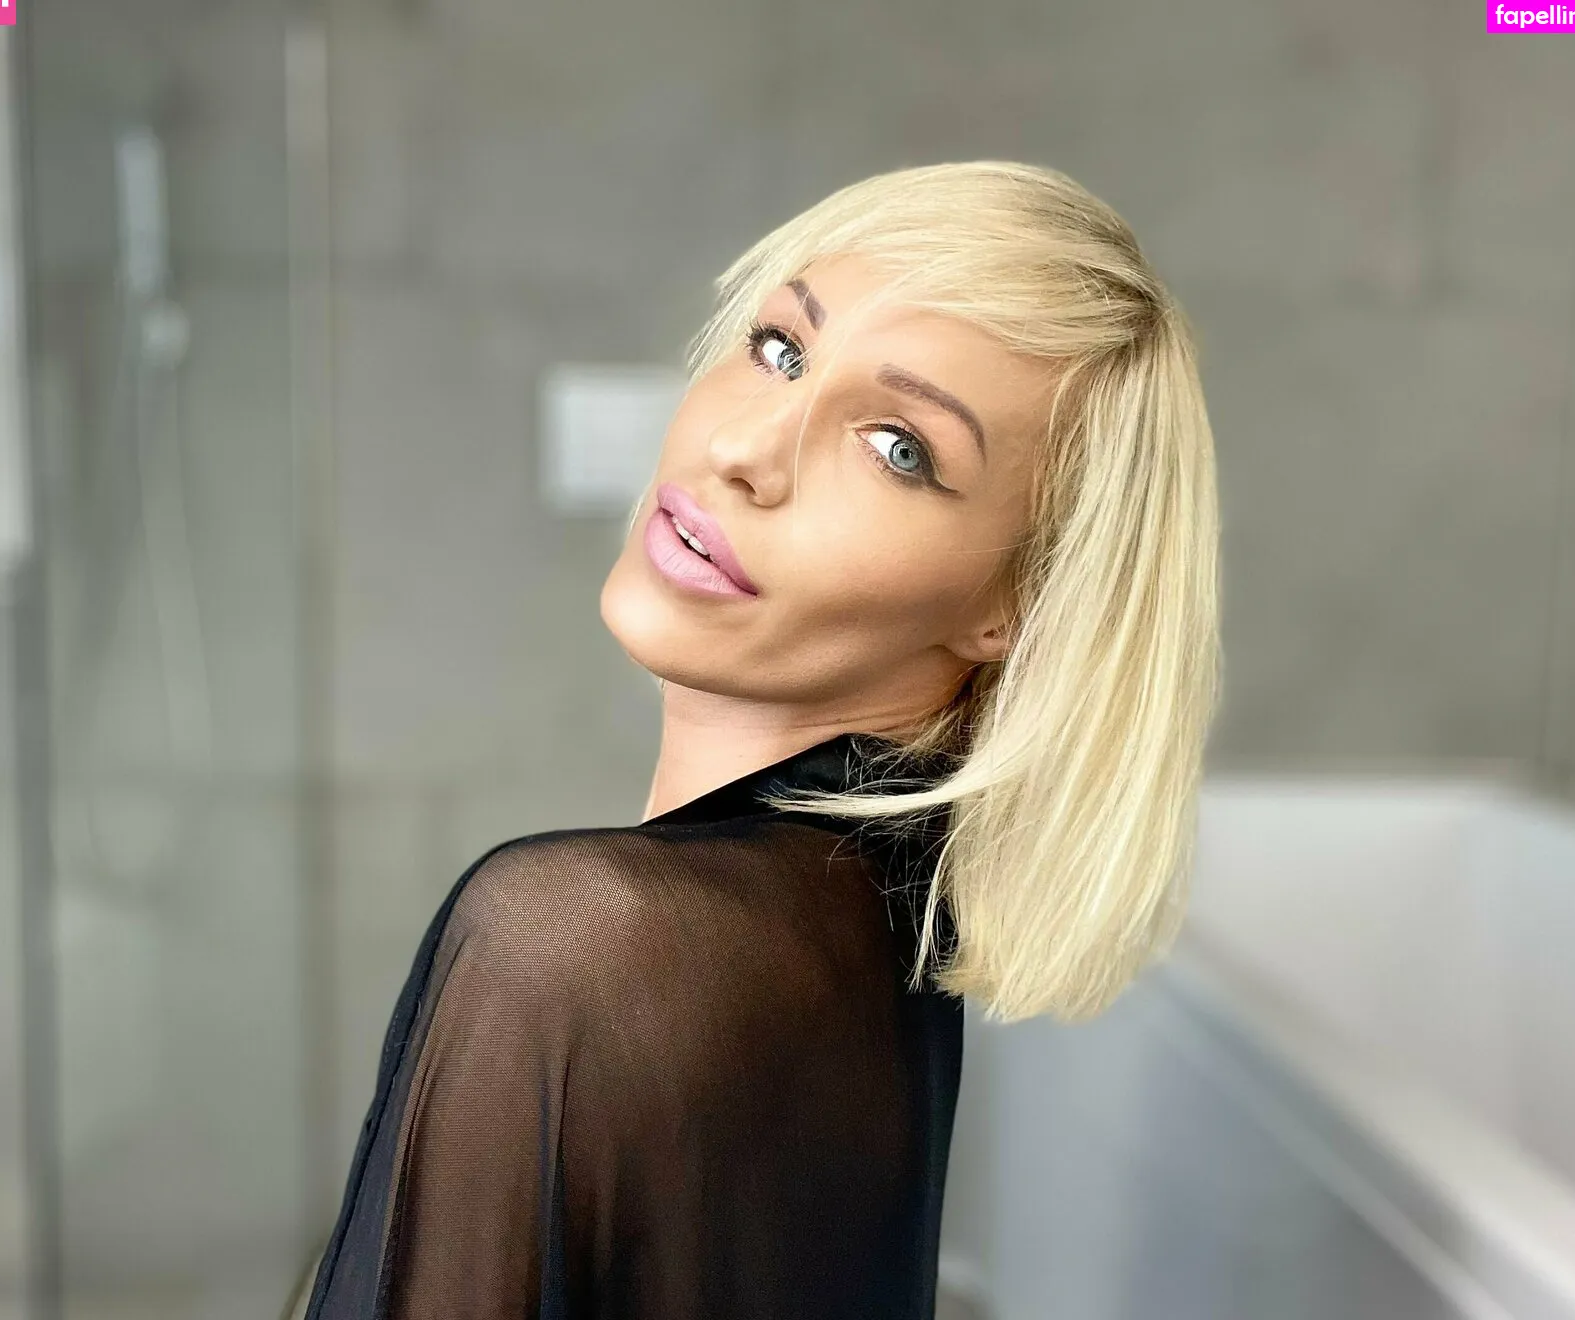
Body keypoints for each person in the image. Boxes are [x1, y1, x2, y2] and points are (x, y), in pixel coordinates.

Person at [289, 159, 1221, 1319]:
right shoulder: (868, 933)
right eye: (782, 348)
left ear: (1013, 605)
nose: (748, 450)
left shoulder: (572, 951)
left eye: (898, 448)